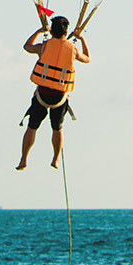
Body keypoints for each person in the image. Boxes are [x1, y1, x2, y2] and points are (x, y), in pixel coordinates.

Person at [17, 14, 89, 170]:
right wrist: (81, 39)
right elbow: (87, 58)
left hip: (42, 95)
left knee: (32, 127)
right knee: (57, 128)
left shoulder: (43, 47)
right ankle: (56, 159)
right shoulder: (73, 51)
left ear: (52, 31)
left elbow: (27, 46)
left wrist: (39, 31)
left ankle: (24, 159)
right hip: (59, 98)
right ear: (65, 33)